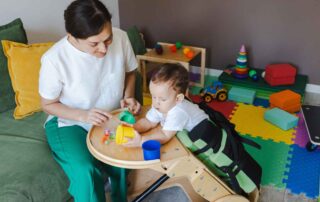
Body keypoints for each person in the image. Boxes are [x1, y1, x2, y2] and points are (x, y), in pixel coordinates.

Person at [38, 0, 140, 201]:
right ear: (72, 37)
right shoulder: (54, 59)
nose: (103, 49)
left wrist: (128, 96)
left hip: (109, 117)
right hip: (69, 123)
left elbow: (130, 72)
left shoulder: (120, 37)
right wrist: (84, 115)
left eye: (107, 39)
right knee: (85, 171)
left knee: (120, 157)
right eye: (94, 44)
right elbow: (47, 104)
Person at [124, 63, 213, 147]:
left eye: (163, 99)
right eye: (153, 96)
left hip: (204, 134)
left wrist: (141, 141)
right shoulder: (160, 105)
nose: (155, 103)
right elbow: (149, 121)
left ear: (178, 99)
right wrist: (134, 128)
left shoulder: (178, 111)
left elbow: (165, 135)